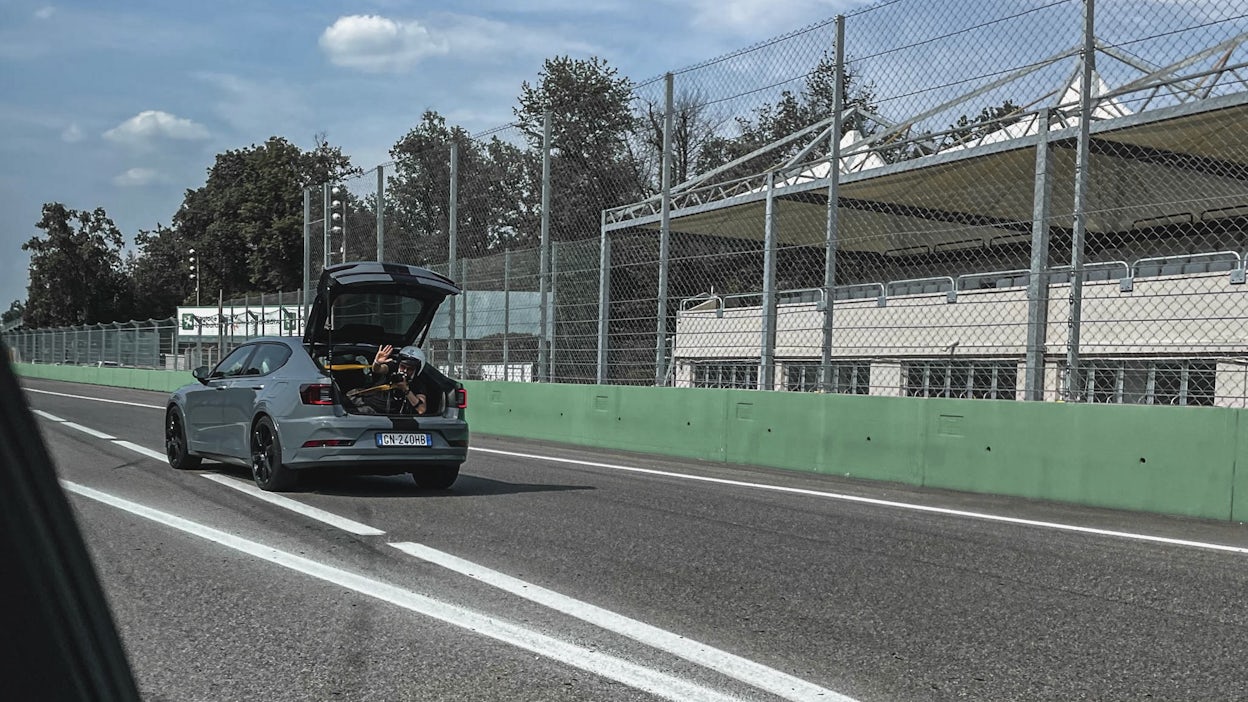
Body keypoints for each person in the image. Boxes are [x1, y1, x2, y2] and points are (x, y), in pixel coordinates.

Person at [368, 344, 430, 415]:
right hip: (370, 407)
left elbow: (421, 409)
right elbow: (377, 369)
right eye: (403, 366)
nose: (405, 371)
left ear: (417, 370)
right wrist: (377, 362)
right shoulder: (392, 367)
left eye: (410, 369)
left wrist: (406, 390)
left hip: (389, 416)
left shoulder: (418, 383)